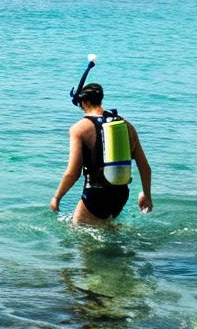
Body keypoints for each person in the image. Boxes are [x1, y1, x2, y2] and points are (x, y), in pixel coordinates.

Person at [51, 82, 152, 225]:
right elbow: (145, 167)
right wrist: (147, 197)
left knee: (82, 239)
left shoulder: (78, 129)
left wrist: (57, 198)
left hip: (95, 195)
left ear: (84, 102)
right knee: (106, 230)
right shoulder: (126, 125)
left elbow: (72, 173)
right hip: (120, 195)